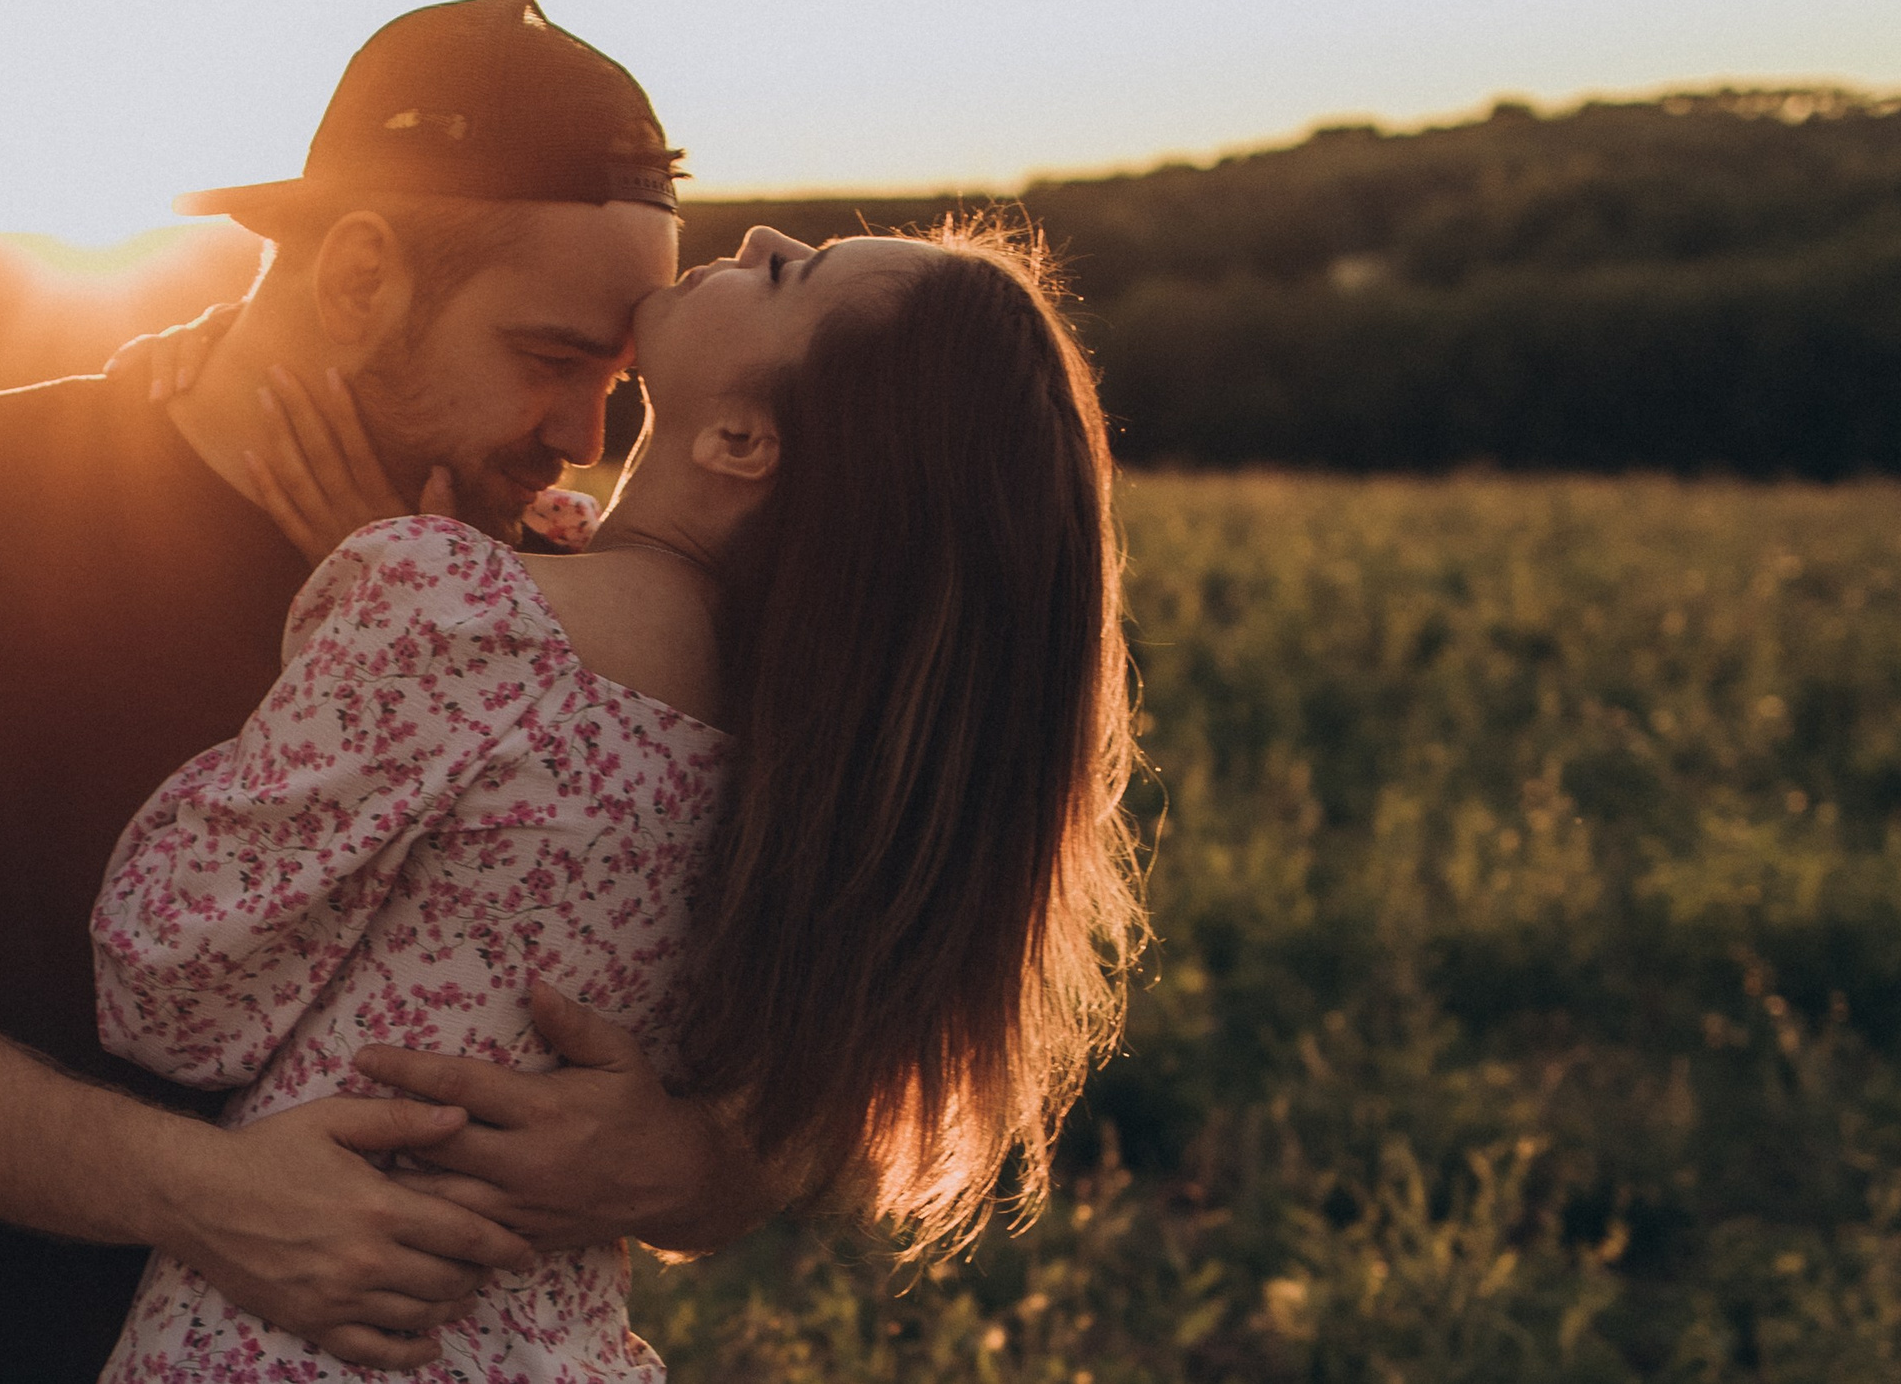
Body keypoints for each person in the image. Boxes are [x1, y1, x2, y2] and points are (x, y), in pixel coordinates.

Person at [0, 0, 777, 1384]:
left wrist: (693, 1167)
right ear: (360, 276)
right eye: (551, 359)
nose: (580, 436)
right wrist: (212, 1196)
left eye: (618, 381)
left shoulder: (556, 595)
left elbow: (806, 1061)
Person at [89, 220, 1144, 1379]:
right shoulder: (818, 741)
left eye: (790, 273)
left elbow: (167, 988)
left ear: (742, 440)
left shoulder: (457, 611)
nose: (759, 232)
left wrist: (360, 624)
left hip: (299, 1341)